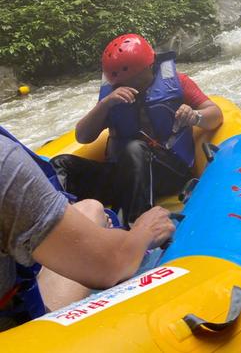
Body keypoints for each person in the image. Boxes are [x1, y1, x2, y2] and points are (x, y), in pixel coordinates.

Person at [0, 132, 174, 331]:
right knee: (93, 210)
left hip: (153, 156)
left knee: (89, 207)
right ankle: (124, 224)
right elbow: (84, 134)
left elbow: (210, 116)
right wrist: (145, 230)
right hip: (17, 337)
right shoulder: (5, 161)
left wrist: (192, 115)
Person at [51, 34, 223, 227]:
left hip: (168, 171)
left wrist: (195, 116)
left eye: (133, 80)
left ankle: (132, 226)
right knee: (61, 164)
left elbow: (216, 114)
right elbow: (82, 137)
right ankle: (55, 223)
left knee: (134, 148)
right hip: (123, 174)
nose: (127, 86)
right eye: (121, 82)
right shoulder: (112, 97)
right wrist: (105, 104)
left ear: (149, 67)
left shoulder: (179, 82)